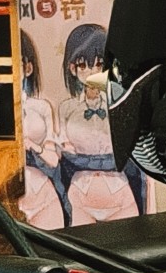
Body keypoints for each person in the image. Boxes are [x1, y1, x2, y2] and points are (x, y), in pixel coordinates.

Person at [57, 22, 145, 225]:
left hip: (119, 192)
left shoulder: (120, 104)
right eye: (83, 65)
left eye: (99, 64)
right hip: (80, 193)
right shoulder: (66, 108)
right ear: (72, 68)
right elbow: (62, 150)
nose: (92, 71)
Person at [17, 31, 66, 229]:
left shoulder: (42, 107)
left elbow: (53, 159)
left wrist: (33, 147)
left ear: (28, 68)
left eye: (17, 63)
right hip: (4, 199)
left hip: (43, 195)